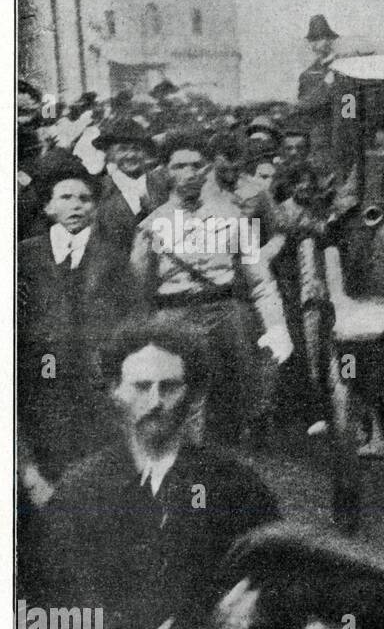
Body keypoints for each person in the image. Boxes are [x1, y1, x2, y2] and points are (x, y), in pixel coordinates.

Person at [35, 318, 325, 629]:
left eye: (169, 387)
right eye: (141, 386)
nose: (155, 402)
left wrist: (260, 606)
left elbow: (287, 578)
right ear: (115, 391)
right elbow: (64, 606)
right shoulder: (81, 494)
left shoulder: (237, 486)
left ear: (194, 396)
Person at [129, 131, 293, 445]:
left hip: (225, 316)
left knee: (229, 402)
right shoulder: (151, 226)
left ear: (208, 170)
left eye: (196, 165)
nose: (189, 173)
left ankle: (221, 478)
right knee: (179, 403)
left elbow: (260, 281)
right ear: (165, 171)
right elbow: (137, 291)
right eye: (179, 166)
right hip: (173, 318)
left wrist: (276, 326)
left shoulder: (232, 218)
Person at [18, 154, 144, 492]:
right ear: (48, 207)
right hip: (41, 377)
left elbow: (132, 318)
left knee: (94, 466)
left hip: (95, 381)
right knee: (45, 457)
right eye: (66, 197)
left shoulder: (113, 259)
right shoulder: (25, 258)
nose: (77, 206)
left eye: (85, 198)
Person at [93, 117, 160, 258]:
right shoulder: (98, 190)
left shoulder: (160, 183)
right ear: (109, 153)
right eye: (122, 149)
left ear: (145, 152)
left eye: (136, 149)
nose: (130, 155)